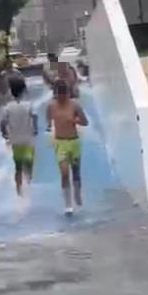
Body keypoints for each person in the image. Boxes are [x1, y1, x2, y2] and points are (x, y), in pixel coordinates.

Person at [46, 78, 89, 215]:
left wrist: (74, 120)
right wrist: (50, 132)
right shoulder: (51, 106)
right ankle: (68, 204)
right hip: (60, 143)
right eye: (59, 94)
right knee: (64, 173)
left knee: (76, 173)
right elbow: (48, 123)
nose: (62, 97)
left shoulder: (74, 105)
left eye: (64, 94)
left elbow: (85, 122)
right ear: (56, 93)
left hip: (74, 141)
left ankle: (77, 194)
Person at [0, 74, 37, 198]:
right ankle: (29, 183)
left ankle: (19, 192)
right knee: (29, 163)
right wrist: (35, 128)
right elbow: (34, 117)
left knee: (18, 167)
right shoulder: (29, 105)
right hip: (28, 139)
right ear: (23, 90)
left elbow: (2, 123)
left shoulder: (8, 107)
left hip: (15, 140)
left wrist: (4, 133)